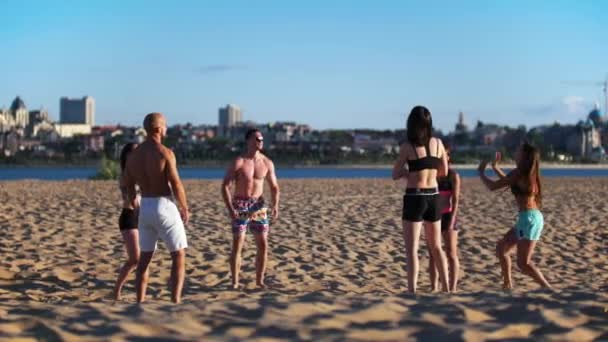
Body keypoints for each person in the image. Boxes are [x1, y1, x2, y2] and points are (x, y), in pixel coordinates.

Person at [124, 112, 190, 303]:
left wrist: (134, 203)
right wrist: (184, 206)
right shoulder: (165, 153)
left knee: (144, 258)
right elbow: (176, 183)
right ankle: (175, 300)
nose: (166, 128)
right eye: (165, 125)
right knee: (178, 254)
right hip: (164, 204)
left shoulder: (134, 156)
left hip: (145, 205)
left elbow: (128, 184)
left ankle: (139, 300)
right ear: (158, 129)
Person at [392, 105, 450, 293]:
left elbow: (395, 173)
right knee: (436, 247)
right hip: (434, 196)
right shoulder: (439, 144)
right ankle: (447, 289)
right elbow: (444, 171)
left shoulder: (407, 147)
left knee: (412, 250)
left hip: (415, 196)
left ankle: (412, 290)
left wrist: (408, 172)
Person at [478, 143, 551, 290]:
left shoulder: (519, 173)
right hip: (528, 218)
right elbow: (509, 182)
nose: (516, 151)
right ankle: (507, 285)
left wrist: (481, 172)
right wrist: (495, 167)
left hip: (530, 220)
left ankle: (548, 288)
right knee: (502, 249)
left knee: (523, 263)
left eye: (518, 150)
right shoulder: (525, 173)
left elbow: (493, 186)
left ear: (524, 156)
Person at [222, 128, 280, 289]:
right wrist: (230, 209)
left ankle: (259, 281)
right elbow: (225, 186)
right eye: (256, 139)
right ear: (248, 141)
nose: (260, 142)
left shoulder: (267, 162)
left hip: (259, 206)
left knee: (263, 244)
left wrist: (275, 205)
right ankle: (235, 281)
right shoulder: (239, 161)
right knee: (238, 243)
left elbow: (274, 186)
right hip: (240, 204)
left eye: (261, 139)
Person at [427, 143, 461, 292]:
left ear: (448, 157)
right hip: (433, 216)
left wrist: (452, 219)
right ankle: (434, 287)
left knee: (451, 254)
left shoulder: (453, 175)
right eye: (439, 155)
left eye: (444, 154)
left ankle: (452, 288)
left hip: (448, 215)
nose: (442, 158)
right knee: (433, 253)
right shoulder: (432, 174)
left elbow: (456, 199)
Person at [113, 143, 140, 300]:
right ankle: (117, 290)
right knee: (134, 259)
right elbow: (132, 198)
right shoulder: (126, 174)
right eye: (133, 152)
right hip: (129, 216)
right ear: (127, 156)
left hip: (141, 215)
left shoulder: (141, 172)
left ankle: (139, 292)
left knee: (142, 258)